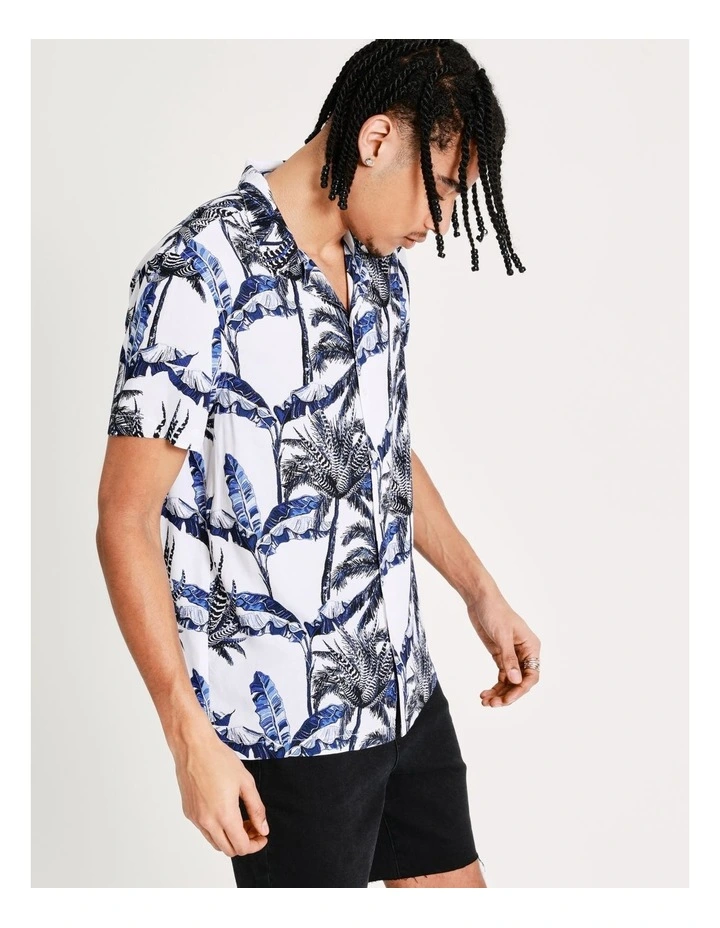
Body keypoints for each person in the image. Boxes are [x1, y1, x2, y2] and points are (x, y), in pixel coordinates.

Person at [96, 39, 541, 889]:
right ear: (376, 140)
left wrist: (480, 592)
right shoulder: (199, 271)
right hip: (289, 730)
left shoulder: (382, 279)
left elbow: (382, 449)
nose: (442, 223)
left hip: (404, 691)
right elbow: (124, 517)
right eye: (445, 189)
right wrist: (187, 736)